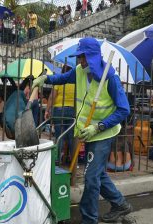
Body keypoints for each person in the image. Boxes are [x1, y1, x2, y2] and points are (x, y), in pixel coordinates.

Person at [32, 37, 132, 223]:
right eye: (79, 57)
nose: (80, 61)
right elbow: (62, 78)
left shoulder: (109, 78)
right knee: (98, 174)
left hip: (104, 133)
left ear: (93, 56)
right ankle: (120, 204)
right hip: (88, 132)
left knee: (91, 177)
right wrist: (45, 78)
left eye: (84, 57)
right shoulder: (78, 71)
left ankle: (89, 219)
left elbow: (124, 109)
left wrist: (98, 127)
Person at [44, 65, 75, 165]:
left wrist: (47, 110)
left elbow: (52, 96)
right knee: (71, 137)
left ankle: (57, 159)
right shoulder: (76, 82)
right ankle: (73, 160)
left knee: (59, 136)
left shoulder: (60, 81)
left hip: (59, 109)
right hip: (72, 110)